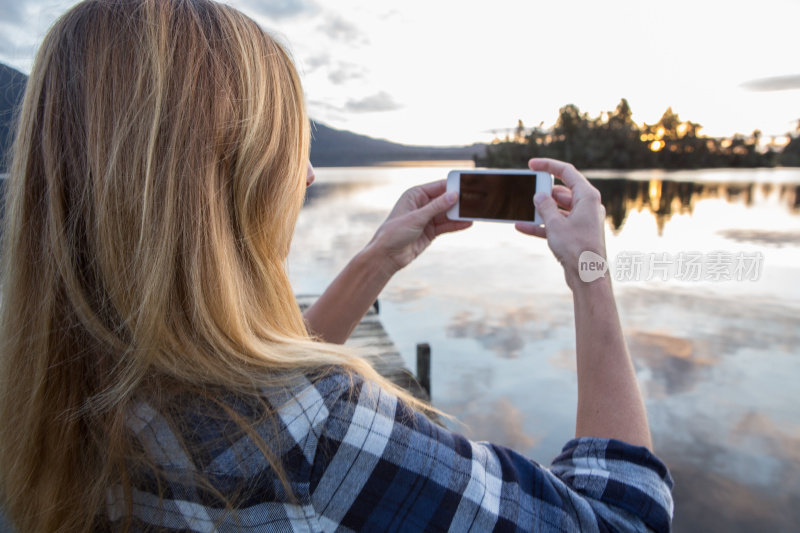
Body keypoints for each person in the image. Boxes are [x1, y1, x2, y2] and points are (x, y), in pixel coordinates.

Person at [0, 0, 673, 531]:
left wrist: (375, 260)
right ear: (219, 182)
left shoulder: (67, 393)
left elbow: (251, 391)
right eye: (285, 149)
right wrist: (590, 271)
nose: (310, 174)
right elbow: (624, 517)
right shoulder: (326, 438)